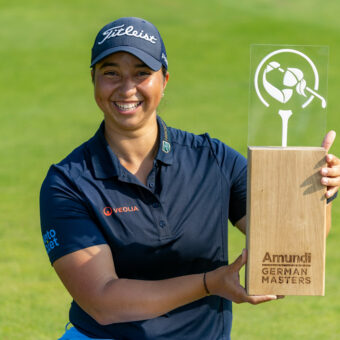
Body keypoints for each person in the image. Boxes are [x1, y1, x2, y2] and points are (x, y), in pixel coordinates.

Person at [40, 17, 339, 340]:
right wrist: (210, 283)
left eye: (142, 73)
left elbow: (287, 241)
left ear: (164, 80)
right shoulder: (68, 182)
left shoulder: (213, 159)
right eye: (111, 73)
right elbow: (103, 301)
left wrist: (314, 190)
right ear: (94, 80)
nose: (127, 88)